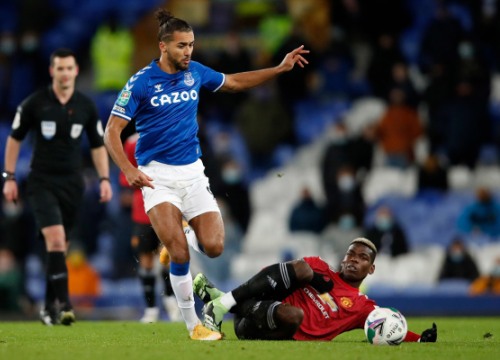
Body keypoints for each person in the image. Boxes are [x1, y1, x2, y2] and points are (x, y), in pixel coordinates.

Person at [103, 9, 310, 341]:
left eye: (192, 45)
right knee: (181, 254)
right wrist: (128, 170)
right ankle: (193, 325)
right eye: (182, 45)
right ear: (163, 46)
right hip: (158, 177)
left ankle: (180, 235)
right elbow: (112, 131)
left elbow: (235, 81)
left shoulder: (195, 72)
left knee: (214, 246)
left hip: (194, 174)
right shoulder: (141, 82)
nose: (188, 52)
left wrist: (280, 68)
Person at [2, 48, 113, 326]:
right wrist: (10, 177)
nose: (64, 73)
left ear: (76, 71)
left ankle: (48, 308)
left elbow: (99, 145)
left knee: (60, 247)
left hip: (72, 184)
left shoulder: (86, 106)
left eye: (69, 68)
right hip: (41, 182)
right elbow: (14, 139)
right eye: (59, 68)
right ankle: (64, 304)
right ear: (52, 71)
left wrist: (104, 179)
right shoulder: (35, 104)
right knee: (54, 238)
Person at [193, 237, 437, 342]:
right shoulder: (320, 267)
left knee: (294, 316)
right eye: (350, 253)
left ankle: (222, 301)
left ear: (371, 269)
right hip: (257, 312)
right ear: (343, 258)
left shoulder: (363, 307)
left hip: (269, 330)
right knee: (302, 270)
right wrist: (310, 280)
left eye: (362, 257)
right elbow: (272, 273)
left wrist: (418, 340)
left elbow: (386, 324)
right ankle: (225, 303)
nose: (353, 259)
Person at [120, 133, 181, 323]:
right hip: (142, 211)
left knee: (168, 257)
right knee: (146, 260)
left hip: (166, 208)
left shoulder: (168, 135)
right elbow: (125, 175)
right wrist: (137, 179)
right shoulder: (131, 143)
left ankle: (171, 303)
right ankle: (151, 309)